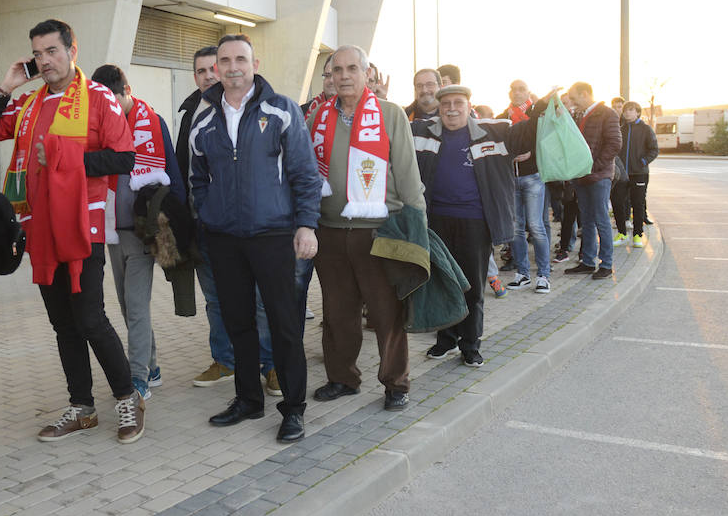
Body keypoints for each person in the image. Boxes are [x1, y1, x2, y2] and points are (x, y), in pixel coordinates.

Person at [0, 19, 145, 443]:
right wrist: (4, 89)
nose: (45, 60)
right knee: (63, 324)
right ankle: (82, 406)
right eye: (37, 53)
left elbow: (123, 158)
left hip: (83, 227)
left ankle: (128, 398)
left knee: (90, 318)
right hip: (40, 229)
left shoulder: (97, 98)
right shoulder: (28, 104)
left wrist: (64, 161)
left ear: (72, 50)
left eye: (52, 50)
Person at [190, 34, 321, 443]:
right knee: (238, 324)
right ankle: (247, 399)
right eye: (224, 61)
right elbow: (197, 180)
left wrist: (306, 224)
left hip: (273, 235)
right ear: (216, 68)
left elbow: (304, 173)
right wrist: (209, 214)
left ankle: (294, 409)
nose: (231, 68)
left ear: (254, 63)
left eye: (239, 60)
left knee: (283, 325)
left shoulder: (280, 110)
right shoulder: (204, 120)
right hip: (225, 239)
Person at [307, 46, 425, 411]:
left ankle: (396, 383)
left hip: (378, 231)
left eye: (351, 68)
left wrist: (418, 225)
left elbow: (407, 172)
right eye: (336, 70)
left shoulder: (389, 115)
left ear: (367, 73)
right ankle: (342, 378)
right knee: (337, 313)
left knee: (386, 313)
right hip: (329, 230)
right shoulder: (317, 118)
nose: (343, 76)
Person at [178, 48, 280, 394]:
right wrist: (201, 214)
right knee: (215, 298)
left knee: (259, 299)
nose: (208, 75)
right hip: (207, 227)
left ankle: (271, 365)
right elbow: (190, 173)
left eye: (213, 67)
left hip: (253, 227)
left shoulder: (262, 109)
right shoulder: (190, 113)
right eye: (201, 70)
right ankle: (224, 360)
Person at [91, 64, 184, 401]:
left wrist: (177, 223)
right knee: (126, 305)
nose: (109, 109)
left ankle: (139, 377)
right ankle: (153, 366)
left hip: (143, 230)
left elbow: (171, 172)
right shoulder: (100, 125)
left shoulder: (152, 123)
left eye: (113, 100)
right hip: (112, 230)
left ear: (126, 90)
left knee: (137, 305)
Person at [412, 85, 515, 367]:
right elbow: (392, 126)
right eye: (446, 104)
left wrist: (541, 106)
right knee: (443, 282)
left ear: (469, 106)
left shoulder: (494, 131)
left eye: (458, 103)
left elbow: (527, 136)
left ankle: (470, 344)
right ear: (439, 107)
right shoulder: (422, 131)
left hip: (475, 222)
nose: (452, 108)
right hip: (437, 221)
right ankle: (445, 340)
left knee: (472, 286)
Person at [564, 81, 622, 280]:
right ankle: (588, 262)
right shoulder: (578, 115)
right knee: (587, 221)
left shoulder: (607, 113)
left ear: (585, 94)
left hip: (598, 176)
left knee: (601, 220)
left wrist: (594, 166)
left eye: (574, 97)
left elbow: (615, 143)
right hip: (582, 177)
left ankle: (606, 264)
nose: (572, 102)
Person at [506, 94, 552, 293]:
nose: (517, 93)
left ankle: (543, 276)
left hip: (533, 177)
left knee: (536, 226)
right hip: (512, 180)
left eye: (522, 89)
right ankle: (522, 273)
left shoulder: (535, 115)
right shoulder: (504, 117)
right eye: (514, 89)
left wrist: (531, 153)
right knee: (516, 228)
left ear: (527, 93)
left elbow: (544, 139)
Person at [615, 100, 658, 248]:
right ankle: (621, 234)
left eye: (631, 110)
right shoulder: (620, 129)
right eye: (626, 110)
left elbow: (654, 149)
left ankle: (638, 235)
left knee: (638, 205)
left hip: (639, 173)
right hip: (621, 174)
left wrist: (643, 161)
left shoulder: (646, 129)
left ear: (638, 112)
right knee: (618, 203)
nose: (627, 112)